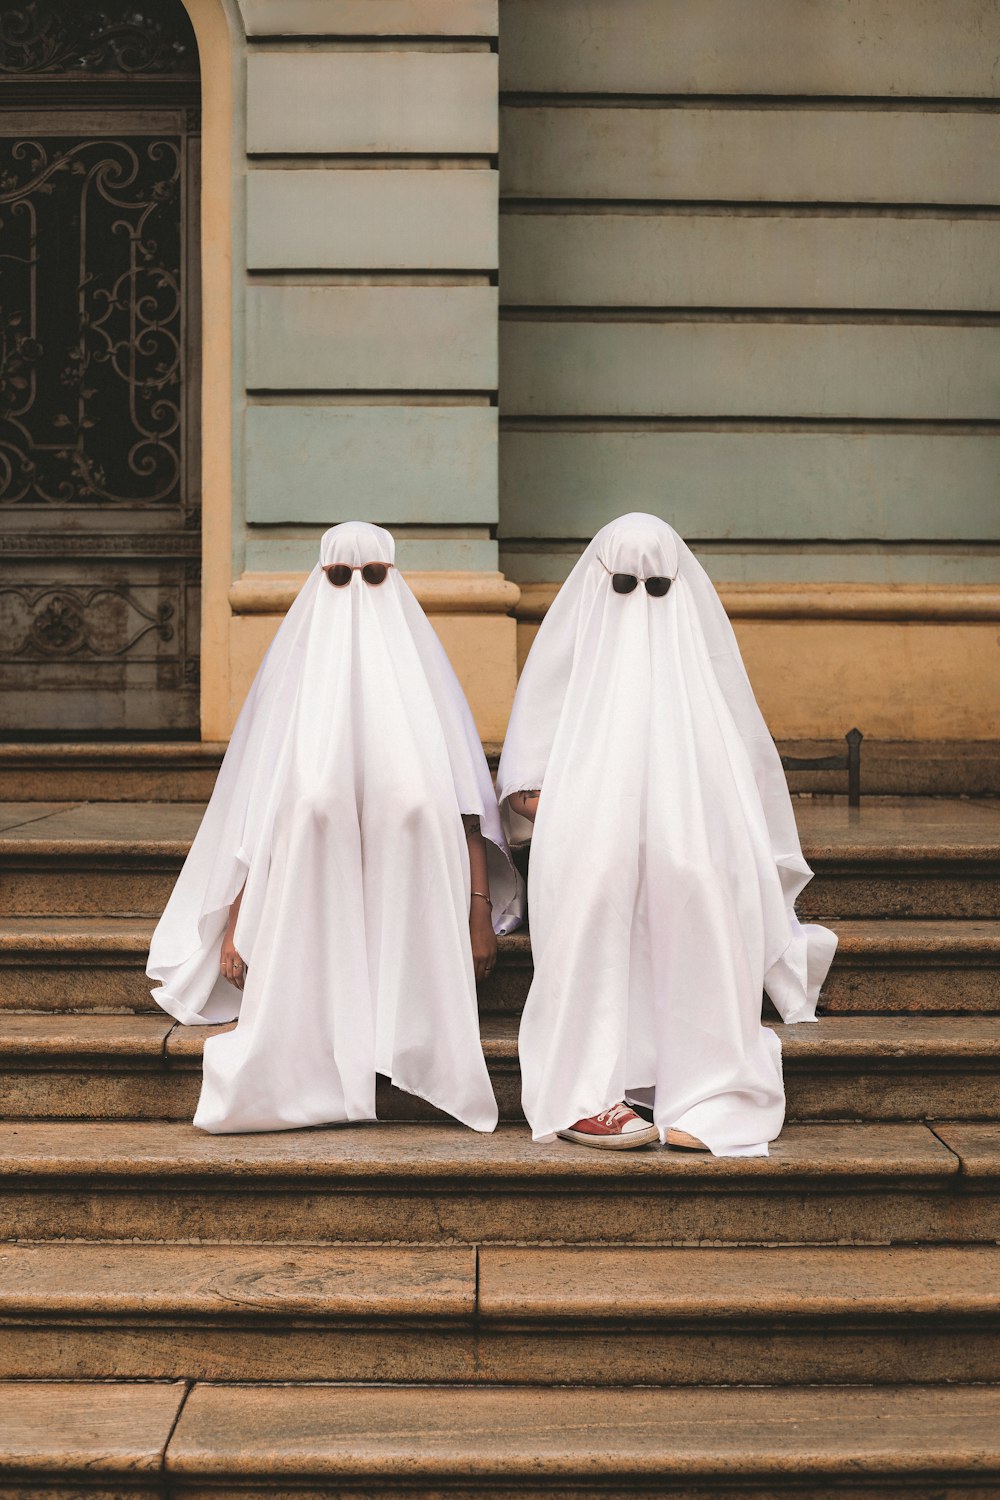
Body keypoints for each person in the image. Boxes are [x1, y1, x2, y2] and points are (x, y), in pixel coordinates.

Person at [148, 521, 522, 1134]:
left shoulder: (425, 688)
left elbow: (464, 810)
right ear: (319, 580)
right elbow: (264, 822)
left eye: (372, 575)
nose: (356, 590)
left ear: (393, 578)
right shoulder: (293, 699)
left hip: (412, 915)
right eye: (341, 577)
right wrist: (240, 920)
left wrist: (479, 907)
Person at [498, 513, 836, 1157]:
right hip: (591, 842)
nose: (639, 602)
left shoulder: (697, 666)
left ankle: (707, 1083)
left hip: (686, 840)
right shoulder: (575, 642)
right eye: (624, 584)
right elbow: (527, 778)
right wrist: (589, 809)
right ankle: (588, 1090)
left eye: (655, 588)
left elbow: (742, 769)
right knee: (595, 904)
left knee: (700, 897)